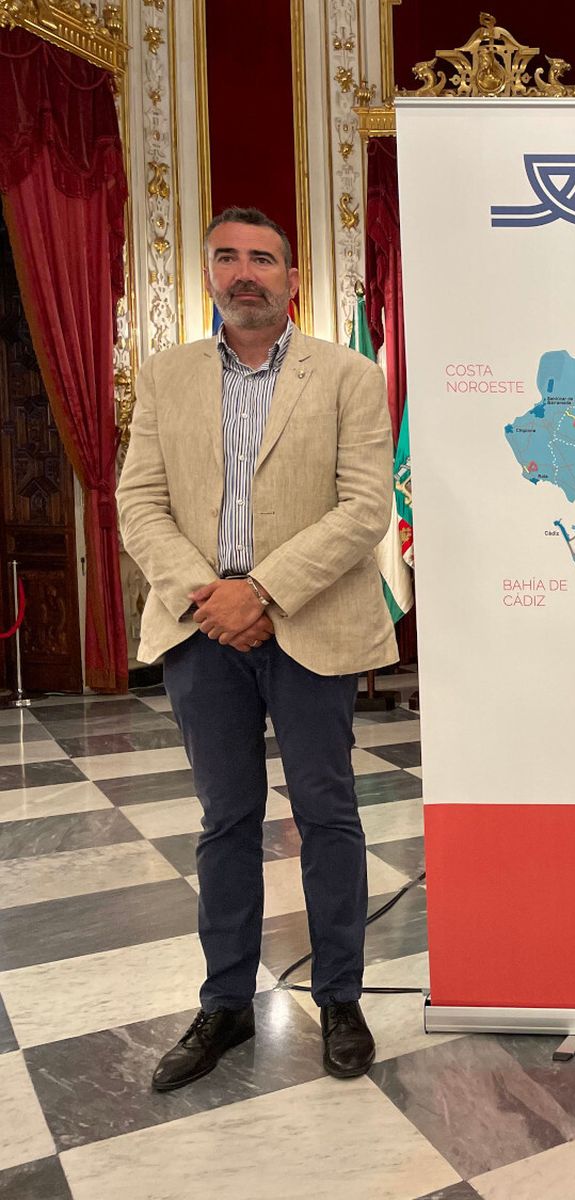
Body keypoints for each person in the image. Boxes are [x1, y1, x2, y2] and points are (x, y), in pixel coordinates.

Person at [118, 206, 397, 1090]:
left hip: (307, 621)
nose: (246, 272)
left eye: (264, 259)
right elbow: (140, 502)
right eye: (228, 258)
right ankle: (226, 1003)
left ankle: (341, 1000)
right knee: (225, 820)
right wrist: (211, 597)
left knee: (328, 813)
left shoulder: (350, 374)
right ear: (207, 274)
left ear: (292, 277)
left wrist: (264, 590)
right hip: (203, 630)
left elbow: (365, 506)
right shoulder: (166, 378)